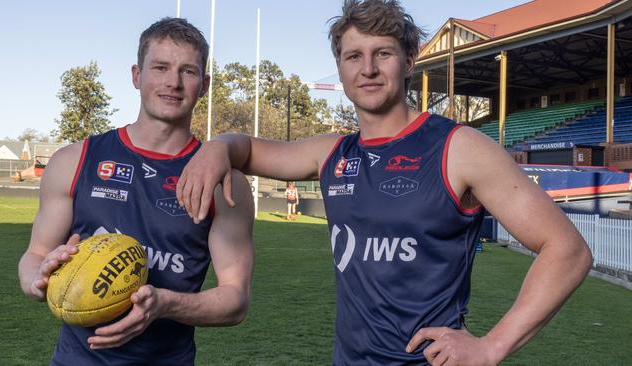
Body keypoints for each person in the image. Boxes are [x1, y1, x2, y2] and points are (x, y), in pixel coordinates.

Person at [175, 0, 592, 364]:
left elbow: (567, 251)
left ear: (409, 61)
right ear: (340, 68)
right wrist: (217, 147)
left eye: (383, 54)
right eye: (354, 56)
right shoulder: (331, 152)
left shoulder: (459, 147)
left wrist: (492, 346)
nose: (368, 68)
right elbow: (246, 148)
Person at [18, 18, 254, 365]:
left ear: (204, 85)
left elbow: (236, 300)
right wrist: (37, 278)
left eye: (187, 72)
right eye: (160, 67)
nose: (172, 82)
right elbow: (35, 256)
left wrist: (165, 304)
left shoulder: (224, 184)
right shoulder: (75, 160)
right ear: (136, 75)